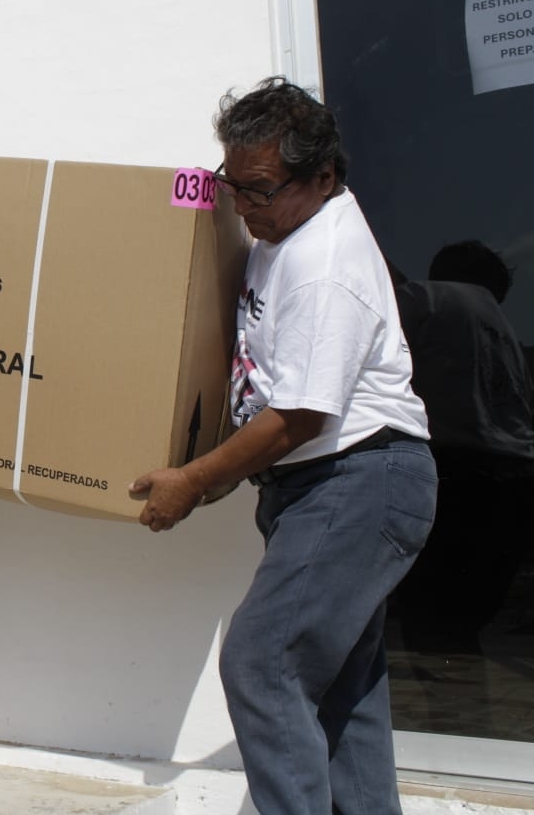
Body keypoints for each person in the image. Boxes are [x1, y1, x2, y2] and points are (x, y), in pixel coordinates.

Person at [128, 77, 435, 815]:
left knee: (262, 664)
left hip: (358, 480)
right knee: (343, 691)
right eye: (232, 185)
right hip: (318, 489)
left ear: (322, 177)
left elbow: (300, 416)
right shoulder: (281, 232)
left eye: (259, 189)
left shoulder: (326, 263)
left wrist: (194, 479)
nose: (243, 205)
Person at [392, 241, 534, 653]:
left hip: (455, 468)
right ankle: (462, 707)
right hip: (515, 473)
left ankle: (440, 707)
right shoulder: (506, 331)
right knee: (463, 621)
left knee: (429, 612)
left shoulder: (423, 298)